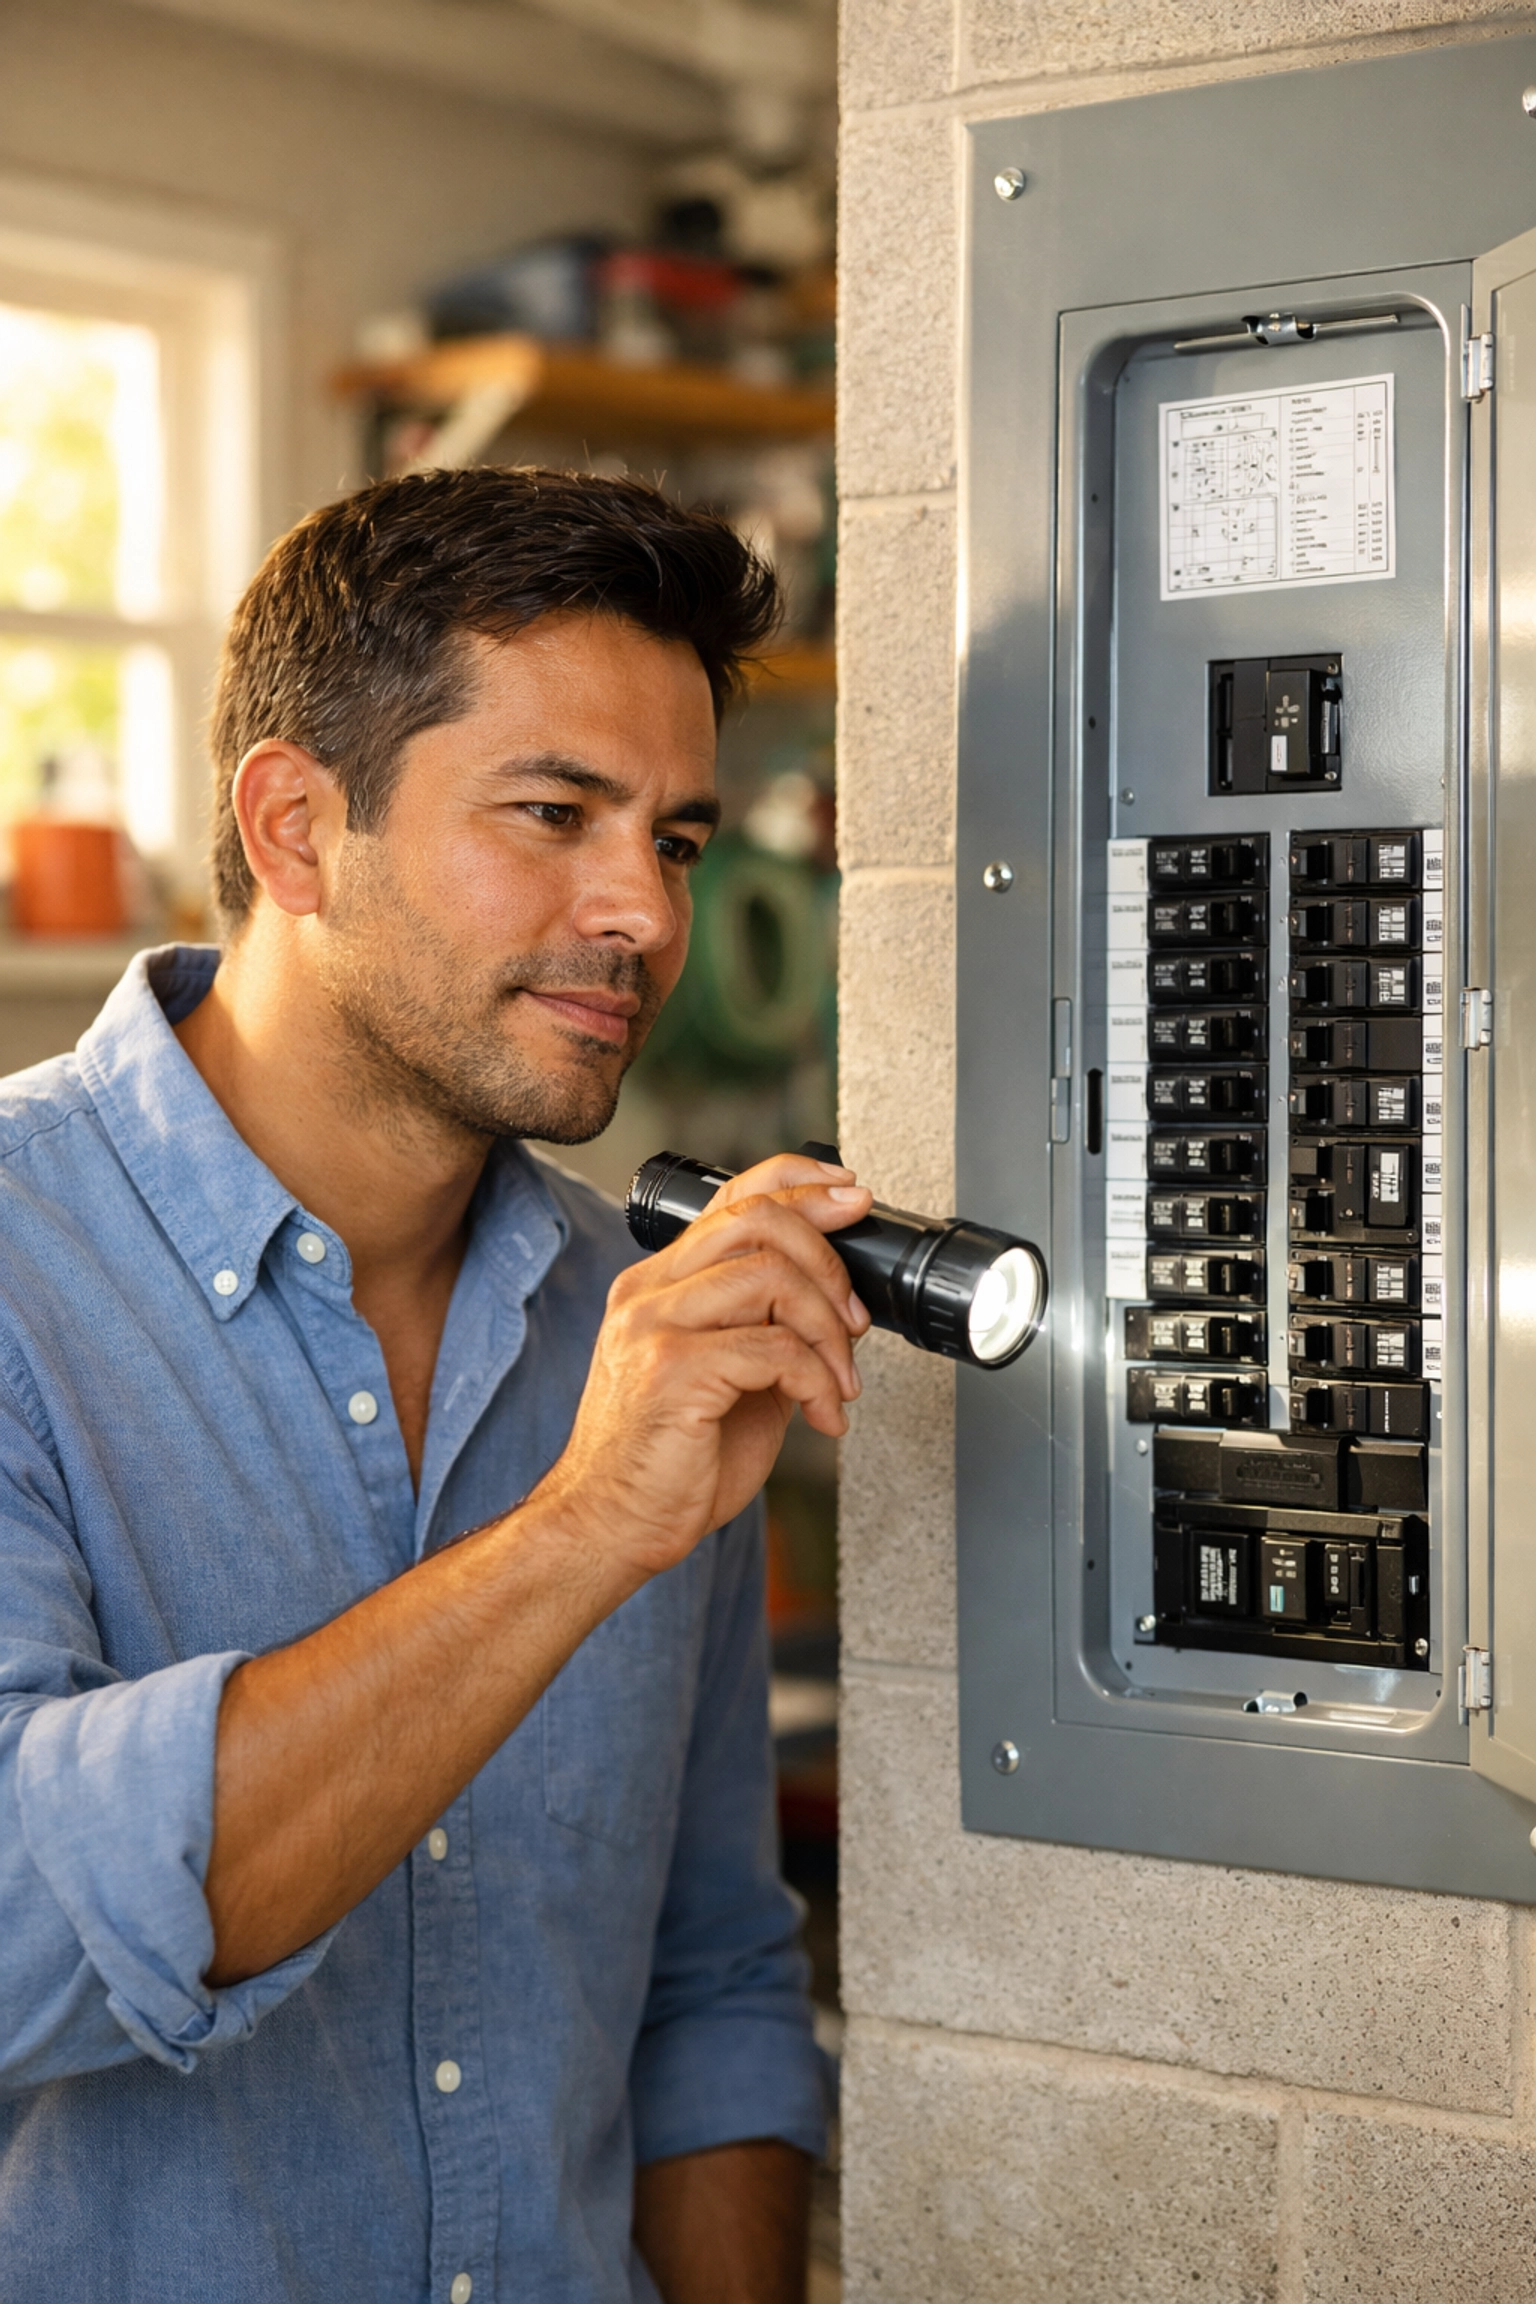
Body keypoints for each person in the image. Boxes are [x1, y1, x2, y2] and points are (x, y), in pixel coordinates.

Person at [0, 468, 872, 2303]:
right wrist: (573, 1535)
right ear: (300, 827)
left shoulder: (639, 1327)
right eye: (555, 813)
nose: (641, 910)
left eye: (681, 839)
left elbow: (711, 1980)